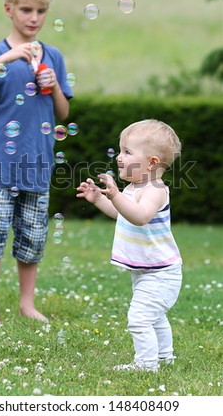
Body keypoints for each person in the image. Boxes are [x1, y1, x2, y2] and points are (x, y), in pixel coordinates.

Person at [0, 0, 73, 326]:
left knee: (32, 237)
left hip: (37, 163)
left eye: (41, 11)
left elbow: (63, 112)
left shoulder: (53, 56)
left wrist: (55, 86)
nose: (34, 18)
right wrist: (6, 60)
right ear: (9, 10)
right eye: (26, 10)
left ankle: (27, 304)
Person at [76, 119, 182, 372]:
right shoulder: (135, 186)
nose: (119, 157)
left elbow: (140, 215)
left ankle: (146, 364)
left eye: (127, 152)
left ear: (152, 162)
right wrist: (100, 200)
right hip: (147, 269)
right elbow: (121, 213)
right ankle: (165, 357)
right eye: (120, 150)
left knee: (139, 318)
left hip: (161, 273)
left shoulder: (155, 189)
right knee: (154, 317)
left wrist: (114, 194)